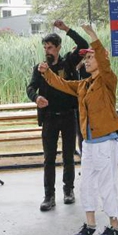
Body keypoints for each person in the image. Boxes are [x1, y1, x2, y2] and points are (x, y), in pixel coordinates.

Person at [38, 24, 118, 235]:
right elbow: (62, 84)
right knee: (87, 185)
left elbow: (103, 61)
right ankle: (90, 224)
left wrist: (93, 36)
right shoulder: (84, 84)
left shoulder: (107, 80)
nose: (86, 62)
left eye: (90, 59)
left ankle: (115, 227)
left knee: (106, 185)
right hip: (89, 143)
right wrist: (47, 73)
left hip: (106, 141)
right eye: (85, 59)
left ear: (101, 60)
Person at [26, 20, 89, 211]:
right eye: (45, 47)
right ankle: (49, 196)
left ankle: (68, 191)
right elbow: (30, 87)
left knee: (69, 155)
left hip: (69, 115)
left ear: (58, 47)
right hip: (49, 118)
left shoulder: (69, 61)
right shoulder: (40, 68)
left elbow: (84, 46)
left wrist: (66, 29)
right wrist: (36, 98)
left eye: (51, 47)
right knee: (49, 158)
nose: (48, 50)